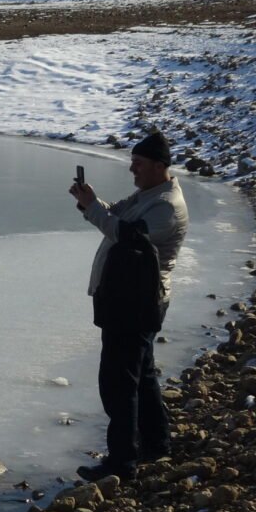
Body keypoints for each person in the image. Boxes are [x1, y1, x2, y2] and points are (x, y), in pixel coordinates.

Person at [69, 132, 189, 482]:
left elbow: (126, 235)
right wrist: (88, 201)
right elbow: (115, 217)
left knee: (118, 383)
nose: (132, 169)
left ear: (158, 165)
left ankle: (121, 462)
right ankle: (156, 444)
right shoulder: (148, 194)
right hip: (130, 299)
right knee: (142, 376)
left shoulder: (166, 205)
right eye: (132, 162)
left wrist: (92, 207)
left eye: (137, 163)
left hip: (135, 303)